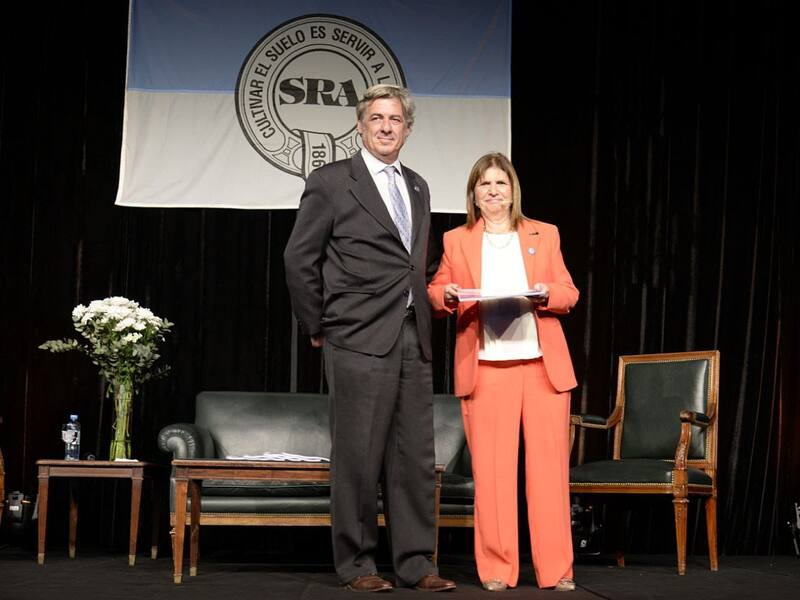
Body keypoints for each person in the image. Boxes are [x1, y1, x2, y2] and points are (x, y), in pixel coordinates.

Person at [284, 84, 456, 593]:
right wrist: (317, 325)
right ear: (360, 126)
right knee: (358, 456)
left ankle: (416, 564)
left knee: (413, 459)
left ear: (407, 128)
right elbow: (300, 260)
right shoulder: (332, 181)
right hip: (356, 335)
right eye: (377, 118)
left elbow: (413, 264)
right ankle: (358, 565)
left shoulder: (419, 185)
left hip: (412, 335)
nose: (386, 126)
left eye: (395, 119)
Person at [427, 152, 578, 592]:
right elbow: (436, 292)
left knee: (549, 474)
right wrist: (448, 295)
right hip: (487, 367)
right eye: (484, 185)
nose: (493, 192)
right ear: (473, 194)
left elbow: (569, 292)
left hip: (541, 368)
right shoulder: (457, 240)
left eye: (501, 184)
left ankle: (556, 570)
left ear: (513, 190)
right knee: (493, 475)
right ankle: (497, 568)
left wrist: (547, 292)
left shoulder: (543, 234)